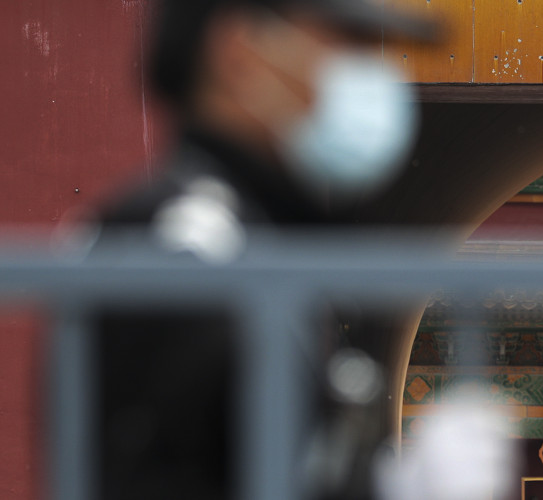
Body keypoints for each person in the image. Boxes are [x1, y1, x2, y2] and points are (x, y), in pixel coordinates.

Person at [85, 0, 435, 499]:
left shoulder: (262, 232)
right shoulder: (180, 241)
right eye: (345, 44)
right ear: (240, 55)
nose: (373, 75)